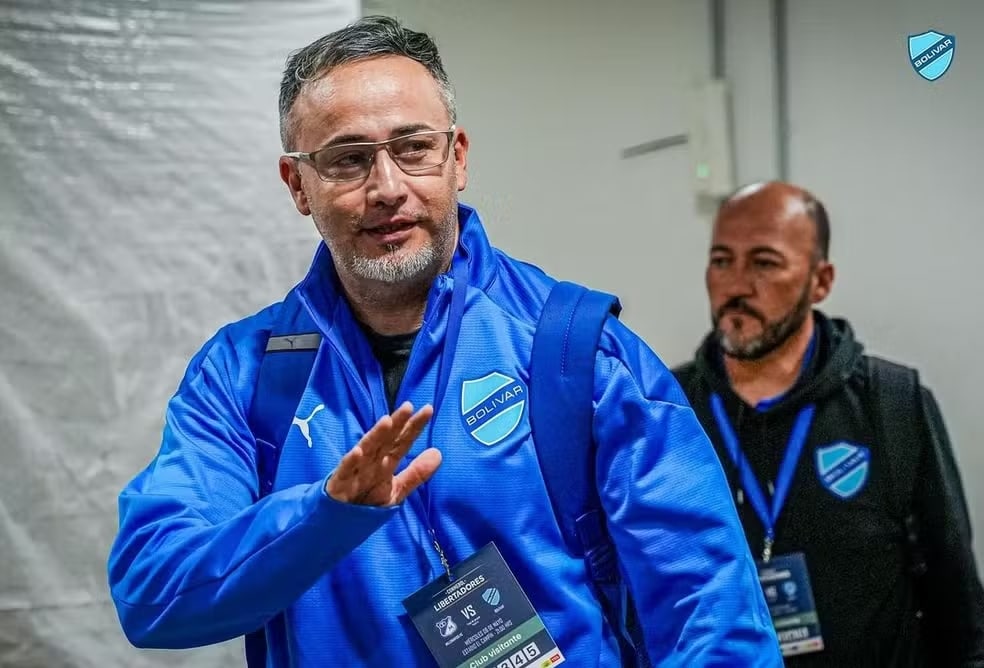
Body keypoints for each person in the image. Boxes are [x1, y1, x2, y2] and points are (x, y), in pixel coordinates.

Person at [106, 15, 781, 667]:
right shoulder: (243, 376)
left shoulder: (574, 352)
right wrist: (325, 515)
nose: (387, 187)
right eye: (347, 161)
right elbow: (155, 597)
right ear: (298, 186)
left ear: (456, 158)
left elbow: (709, 613)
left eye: (412, 147)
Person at [672, 180, 984, 666]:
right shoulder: (668, 413)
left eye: (764, 262)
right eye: (721, 261)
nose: (735, 285)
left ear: (821, 280)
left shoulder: (892, 403)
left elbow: (958, 607)